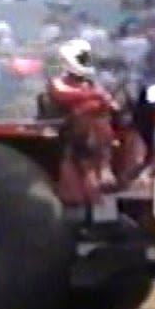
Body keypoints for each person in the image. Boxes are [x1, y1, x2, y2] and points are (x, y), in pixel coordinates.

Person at [45, 39, 122, 194]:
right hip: (67, 124)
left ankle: (105, 165)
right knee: (86, 114)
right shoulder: (58, 82)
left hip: (96, 124)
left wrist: (103, 100)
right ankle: (92, 168)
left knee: (100, 115)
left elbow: (110, 102)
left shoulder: (90, 83)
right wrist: (94, 96)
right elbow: (62, 95)